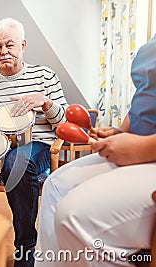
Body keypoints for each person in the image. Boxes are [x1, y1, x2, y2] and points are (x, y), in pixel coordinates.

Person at [0, 17, 68, 267]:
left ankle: (25, 246)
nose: (4, 51)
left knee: (16, 163)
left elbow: (64, 126)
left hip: (37, 146)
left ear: (23, 45)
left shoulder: (45, 76)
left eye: (10, 45)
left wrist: (46, 103)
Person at [37, 35, 156, 266]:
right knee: (55, 185)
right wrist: (120, 132)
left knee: (72, 216)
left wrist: (142, 148)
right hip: (138, 148)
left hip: (149, 156)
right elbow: (145, 99)